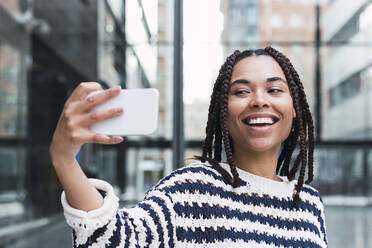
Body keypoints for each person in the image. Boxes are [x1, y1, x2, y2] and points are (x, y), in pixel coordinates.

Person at [50, 47, 327, 247]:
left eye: (274, 90)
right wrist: (64, 158)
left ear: (294, 110)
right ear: (222, 112)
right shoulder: (192, 189)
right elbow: (112, 239)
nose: (259, 100)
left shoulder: (310, 205)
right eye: (241, 91)